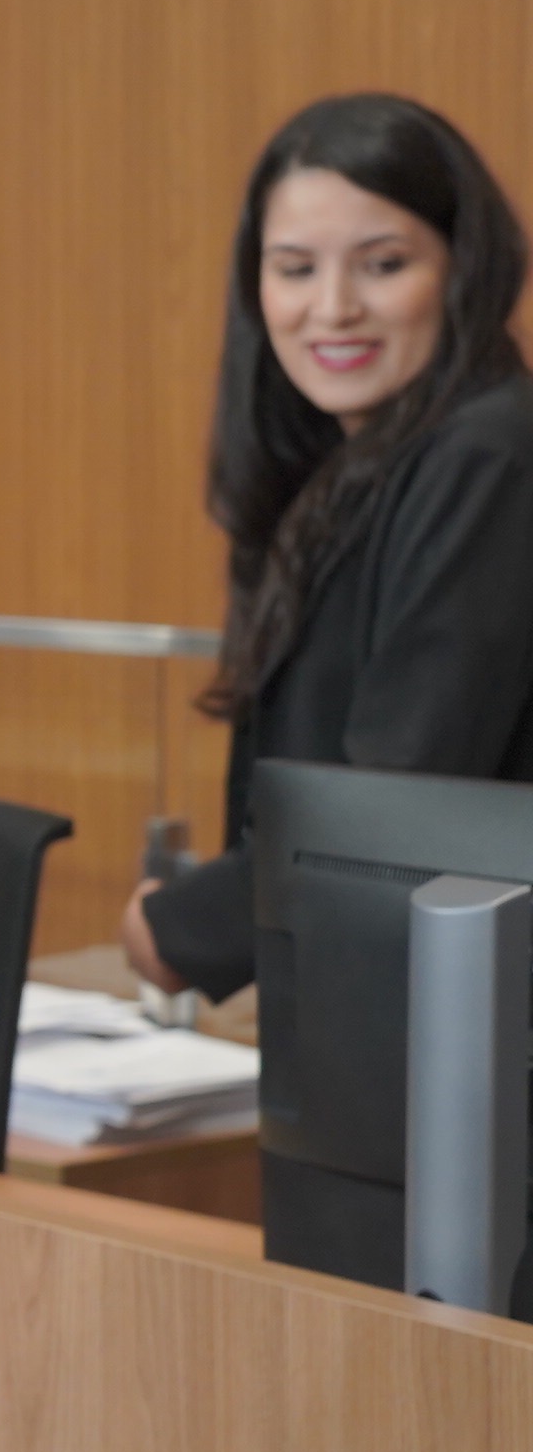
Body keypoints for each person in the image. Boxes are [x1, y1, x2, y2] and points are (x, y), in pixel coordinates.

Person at [125, 95, 533, 1005]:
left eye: (384, 265)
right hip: (378, 1007)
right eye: (295, 269)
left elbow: (399, 793)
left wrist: (184, 928)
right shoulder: (351, 465)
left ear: (463, 268)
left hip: (469, 1031)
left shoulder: (489, 452)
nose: (333, 308)